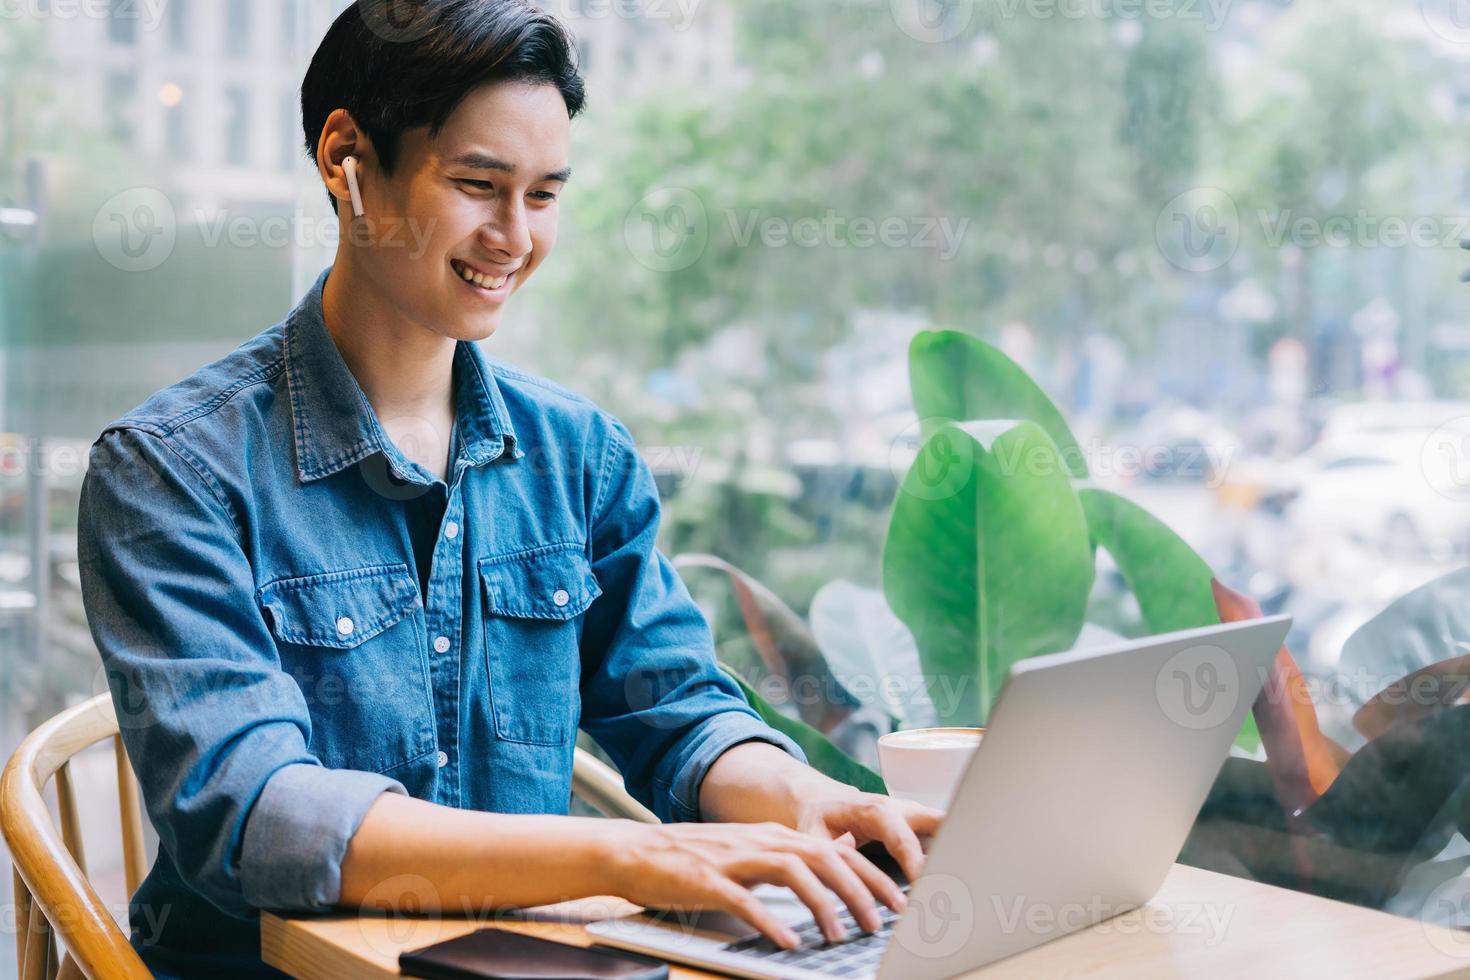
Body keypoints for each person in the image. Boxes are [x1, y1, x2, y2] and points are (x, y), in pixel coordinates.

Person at [76, 2, 942, 975]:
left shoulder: (578, 454)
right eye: (480, 185)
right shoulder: (170, 470)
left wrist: (811, 803)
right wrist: (634, 855)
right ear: (345, 158)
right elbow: (256, 814)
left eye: (545, 195)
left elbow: (681, 714)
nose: (514, 237)